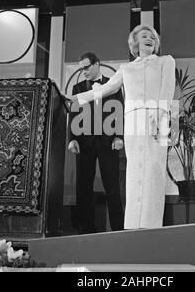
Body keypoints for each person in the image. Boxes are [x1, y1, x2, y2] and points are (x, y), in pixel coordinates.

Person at [66, 26, 177, 230]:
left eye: (152, 36)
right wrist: (75, 98)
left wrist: (162, 114)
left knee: (155, 171)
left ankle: (152, 226)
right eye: (144, 36)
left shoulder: (166, 61)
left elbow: (167, 90)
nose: (149, 38)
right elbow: (107, 89)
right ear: (134, 43)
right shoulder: (126, 68)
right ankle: (133, 226)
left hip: (158, 119)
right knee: (135, 172)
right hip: (133, 121)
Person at [68, 52, 124, 234]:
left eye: (86, 67)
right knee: (83, 186)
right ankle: (86, 230)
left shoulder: (112, 84)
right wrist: (72, 139)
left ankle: (117, 229)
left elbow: (119, 111)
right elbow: (74, 113)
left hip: (108, 141)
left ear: (97, 64)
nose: (83, 71)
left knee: (112, 185)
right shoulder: (77, 88)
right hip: (84, 142)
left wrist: (119, 137)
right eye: (81, 68)